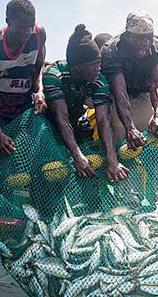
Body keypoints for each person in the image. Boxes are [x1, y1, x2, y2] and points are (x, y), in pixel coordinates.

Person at [44, 24, 128, 182]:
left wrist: (112, 160)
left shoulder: (99, 80)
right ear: (76, 67)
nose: (98, 69)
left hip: (77, 121)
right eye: (93, 65)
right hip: (49, 125)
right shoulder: (54, 75)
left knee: (90, 164)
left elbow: (103, 120)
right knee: (51, 172)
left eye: (99, 63)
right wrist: (77, 155)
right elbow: (61, 118)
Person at [0, 0, 47, 155]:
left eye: (30, 26)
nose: (27, 32)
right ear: (8, 21)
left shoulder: (39, 35)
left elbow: (38, 69)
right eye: (21, 27)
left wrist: (40, 91)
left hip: (21, 103)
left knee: (27, 153)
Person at [101, 10, 158, 148]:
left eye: (149, 37)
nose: (146, 43)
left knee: (157, 132)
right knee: (120, 130)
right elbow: (120, 93)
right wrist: (130, 128)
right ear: (128, 36)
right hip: (115, 96)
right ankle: (116, 166)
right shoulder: (112, 50)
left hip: (143, 93)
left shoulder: (157, 47)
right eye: (139, 38)